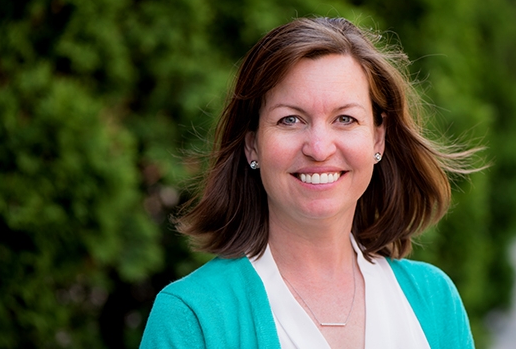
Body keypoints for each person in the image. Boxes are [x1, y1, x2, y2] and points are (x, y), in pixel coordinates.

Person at [140, 17, 476, 349]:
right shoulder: (192, 318)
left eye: (345, 118)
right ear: (252, 144)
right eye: (290, 119)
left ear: (378, 138)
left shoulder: (435, 300)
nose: (319, 148)